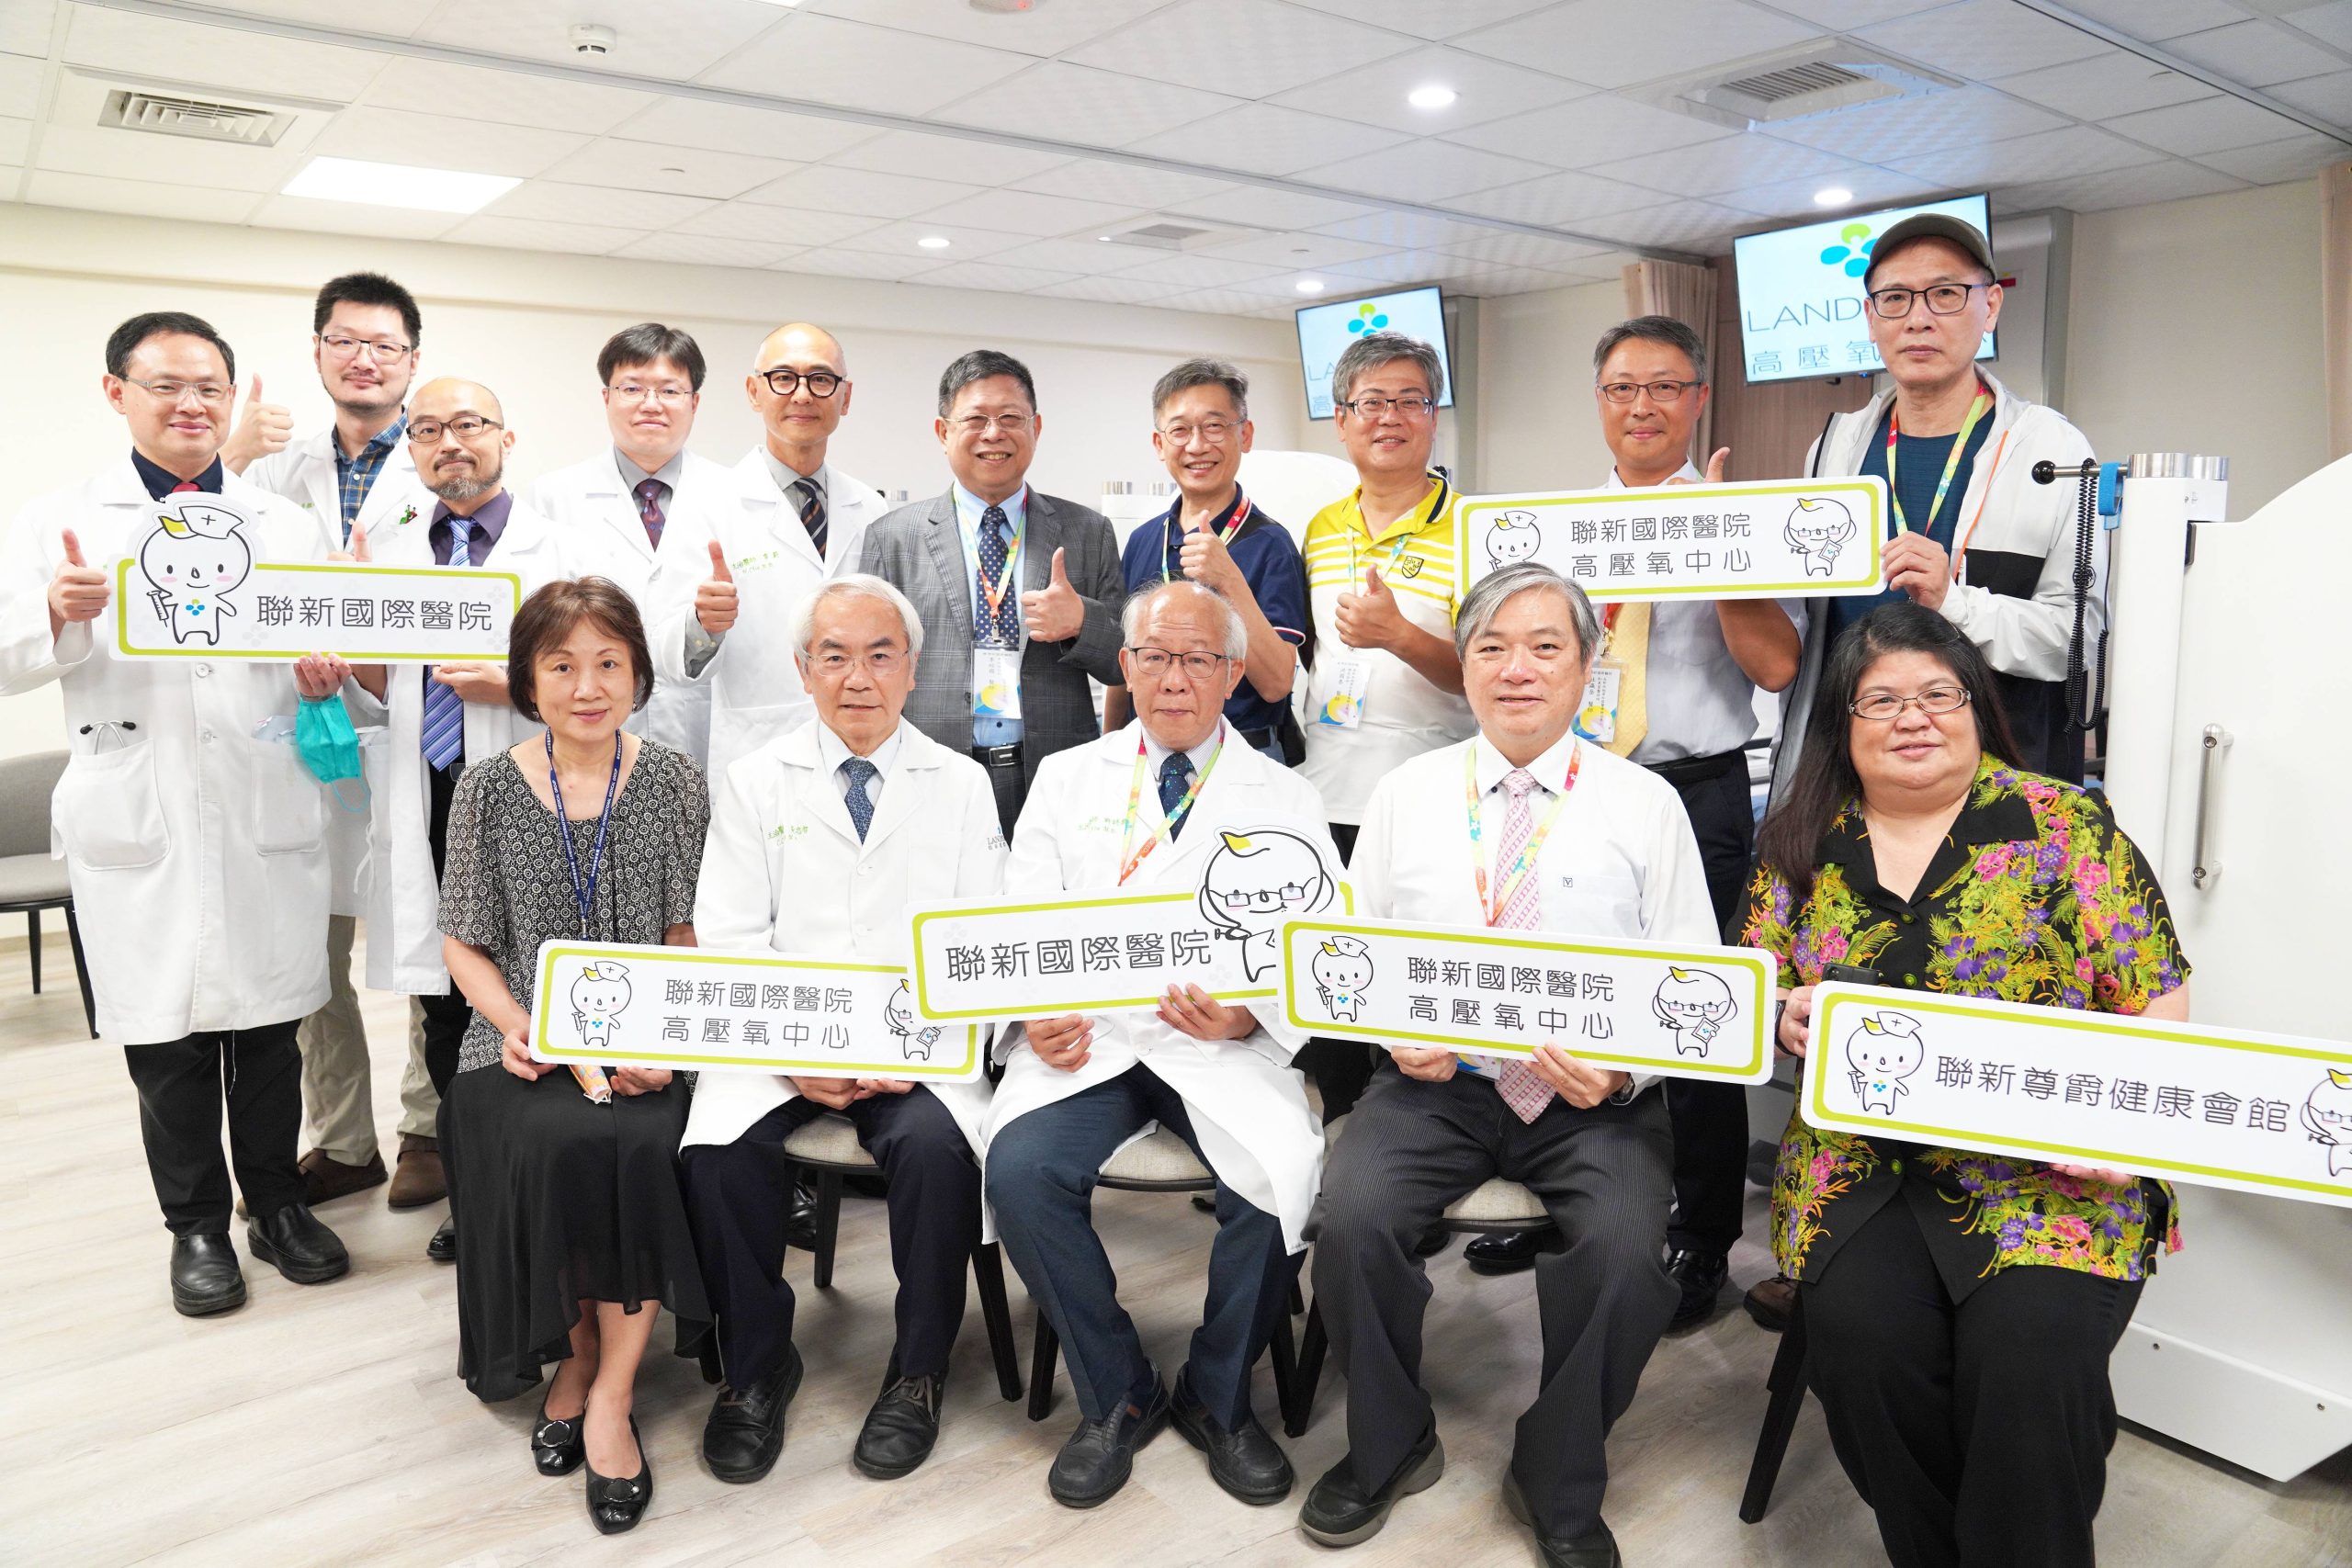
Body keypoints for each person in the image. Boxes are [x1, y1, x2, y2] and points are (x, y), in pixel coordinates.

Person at [1740, 600, 2189, 1568]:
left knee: (2029, 1371)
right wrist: (1780, 1016)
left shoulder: (2065, 826)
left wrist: (2124, 1132)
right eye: (1881, 700)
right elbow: (1748, 992)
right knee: (1865, 1358)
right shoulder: (1798, 840)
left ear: (1976, 706)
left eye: (1937, 694)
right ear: (1842, 724)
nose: (1912, 716)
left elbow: (2156, 999)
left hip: (2052, 1174)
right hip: (1860, 1171)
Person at [1301, 563, 1716, 1567]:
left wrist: (1622, 1073)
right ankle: (1393, 1442)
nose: (1515, 668)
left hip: (1593, 1099)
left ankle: (1558, 1470)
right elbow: (1351, 952)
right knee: (1350, 1222)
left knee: (1626, 1253)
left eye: (1544, 647)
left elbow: (1694, 981)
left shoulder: (1646, 802)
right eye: (1490, 646)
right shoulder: (1406, 793)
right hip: (1436, 1084)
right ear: (1467, 666)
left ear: (1586, 666)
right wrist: (1390, 1032)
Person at [0, 310, 352, 1315]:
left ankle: (276, 1205)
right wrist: (55, 614)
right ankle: (196, 1226)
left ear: (232, 399)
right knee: (168, 1042)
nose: (192, 404)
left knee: (273, 1033)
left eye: (210, 388)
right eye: (167, 385)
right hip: (139, 808)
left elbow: (322, 652)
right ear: (117, 392)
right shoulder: (62, 520)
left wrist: (322, 676)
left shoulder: (284, 524)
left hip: (262, 803)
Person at [1461, 317, 1800, 1330]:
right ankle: (1561, 1198)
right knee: (1548, 986)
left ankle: (1700, 1239)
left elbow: (1777, 666)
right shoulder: (1554, 531)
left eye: (1664, 387)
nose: (1642, 406)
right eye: (1622, 388)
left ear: (1698, 400)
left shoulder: (1738, 517)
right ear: (1599, 401)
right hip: (1566, 783)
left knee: (1688, 1016)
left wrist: (1723, 544)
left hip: (1690, 790)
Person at [985, 580, 1334, 1511]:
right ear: (1126, 666)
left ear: (1232, 673)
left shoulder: (1286, 796)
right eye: (1154, 657)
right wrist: (1036, 1012)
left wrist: (1253, 1016)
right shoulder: (1068, 777)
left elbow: (1325, 947)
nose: (1174, 679)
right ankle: (1117, 1391)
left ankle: (1218, 1394)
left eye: (1197, 659)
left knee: (1278, 1172)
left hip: (1213, 1044)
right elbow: (1022, 917)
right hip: (1091, 1039)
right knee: (1019, 1171)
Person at [682, 575, 1001, 1485]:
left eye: (879, 655)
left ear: (912, 669)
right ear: (803, 671)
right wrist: (795, 1057)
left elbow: (984, 942)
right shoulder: (753, 781)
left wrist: (915, 1050)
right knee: (717, 1156)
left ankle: (918, 1371)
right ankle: (754, 1366)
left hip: (915, 1048)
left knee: (936, 1151)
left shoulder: (962, 784)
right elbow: (729, 935)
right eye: (834, 657)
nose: (857, 677)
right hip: (781, 1038)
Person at [435, 577, 712, 1536]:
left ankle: (611, 1391)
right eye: (561, 666)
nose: (587, 686)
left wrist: (664, 1045)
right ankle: (579, 1350)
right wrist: (519, 1024)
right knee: (554, 1137)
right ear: (528, 680)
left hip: (650, 1036)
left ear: (638, 675)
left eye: (607, 664)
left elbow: (686, 933)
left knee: (638, 1139)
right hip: (517, 1038)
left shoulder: (675, 781)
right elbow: (463, 942)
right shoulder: (485, 787)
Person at [343, 377, 575, 1262]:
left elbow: (613, 676)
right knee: (447, 1005)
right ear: (410, 449)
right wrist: (345, 662)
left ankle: (549, 1186)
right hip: (430, 795)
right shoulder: (393, 548)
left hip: (533, 798)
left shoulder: (558, 544)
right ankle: (477, 1190)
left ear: (505, 438)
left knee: (542, 990)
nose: (450, 442)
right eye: (429, 428)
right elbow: (382, 684)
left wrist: (514, 688)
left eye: (468, 424)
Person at [230, 271, 443, 1213]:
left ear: (412, 360)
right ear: (317, 350)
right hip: (299, 733)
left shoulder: (440, 463)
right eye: (345, 340)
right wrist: (234, 456)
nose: (365, 359)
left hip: (409, 733)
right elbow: (201, 564)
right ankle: (346, 1140)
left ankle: (426, 1130)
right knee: (311, 953)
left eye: (385, 344)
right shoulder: (268, 468)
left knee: (426, 938)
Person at [1778, 211, 2100, 795]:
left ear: (1991, 306)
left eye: (1946, 294)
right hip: (1854, 779)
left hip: (1999, 778)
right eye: (1895, 299)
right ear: (1871, 318)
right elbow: (1809, 628)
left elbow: (2078, 643)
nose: (1918, 318)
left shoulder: (2052, 449)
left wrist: (1955, 602)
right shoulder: (1833, 448)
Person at [1294, 329, 1476, 1126]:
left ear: (1434, 416)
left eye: (1410, 400)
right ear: (1341, 419)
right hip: (1327, 792)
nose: (1390, 417)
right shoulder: (1319, 527)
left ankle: (1415, 1153)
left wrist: (1399, 633)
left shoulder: (1476, 528)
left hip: (1432, 797)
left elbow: (1492, 677)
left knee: (1416, 989)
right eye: (1371, 402)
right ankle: (1344, 1145)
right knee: (1338, 988)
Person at [858, 349, 1126, 839]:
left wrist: (1081, 622)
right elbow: (870, 667)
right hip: (932, 772)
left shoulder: (1088, 531)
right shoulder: (892, 538)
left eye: (1010, 418)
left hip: (1054, 772)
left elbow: (1125, 664)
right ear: (943, 432)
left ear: (1036, 428)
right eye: (975, 419)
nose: (993, 433)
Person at [660, 321, 886, 784]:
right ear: (754, 392)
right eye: (783, 378)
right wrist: (703, 624)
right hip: (758, 750)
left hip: (861, 745)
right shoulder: (706, 502)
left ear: (845, 397)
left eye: (820, 379)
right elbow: (668, 660)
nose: (802, 394)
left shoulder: (870, 508)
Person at [529, 322, 747, 766]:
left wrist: (708, 622)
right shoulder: (552, 497)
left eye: (669, 390)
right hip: (587, 726)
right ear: (606, 397)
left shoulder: (738, 495)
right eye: (632, 388)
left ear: (694, 402)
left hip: (706, 727)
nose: (651, 404)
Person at [1102, 358, 1306, 764]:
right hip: (1148, 753)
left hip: (1244, 752)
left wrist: (1229, 580)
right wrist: (1107, 746)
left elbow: (1276, 684)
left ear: (1245, 435)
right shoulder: (1144, 540)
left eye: (1214, 426)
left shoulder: (1271, 544)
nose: (1196, 446)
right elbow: (1123, 666)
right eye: (1180, 430)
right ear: (1159, 444)